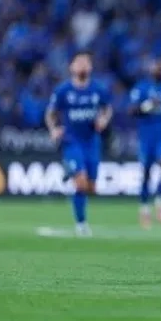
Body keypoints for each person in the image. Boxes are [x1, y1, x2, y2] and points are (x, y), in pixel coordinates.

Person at [45, 51, 112, 236]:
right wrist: (53, 129)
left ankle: (70, 171)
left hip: (91, 141)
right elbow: (50, 113)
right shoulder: (63, 90)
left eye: (85, 62)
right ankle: (81, 224)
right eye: (79, 62)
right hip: (72, 141)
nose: (82, 66)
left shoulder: (98, 89)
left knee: (91, 188)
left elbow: (107, 109)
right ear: (71, 67)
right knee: (81, 183)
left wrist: (104, 120)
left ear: (90, 67)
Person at [129, 58, 161, 229]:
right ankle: (144, 209)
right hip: (147, 137)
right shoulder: (141, 88)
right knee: (147, 172)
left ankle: (160, 203)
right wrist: (147, 106)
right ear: (150, 70)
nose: (159, 70)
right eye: (157, 67)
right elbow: (131, 110)